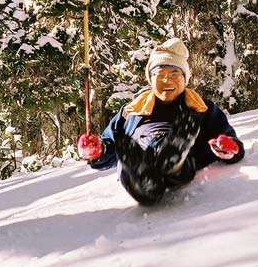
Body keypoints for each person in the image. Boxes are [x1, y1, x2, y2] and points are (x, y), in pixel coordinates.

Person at [84, 38, 245, 205]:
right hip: (138, 155)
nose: (167, 80)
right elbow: (109, 148)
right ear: (150, 79)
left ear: (185, 79)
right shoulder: (131, 110)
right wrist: (96, 152)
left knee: (185, 127)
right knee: (128, 147)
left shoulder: (201, 108)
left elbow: (228, 140)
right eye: (160, 75)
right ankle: (142, 178)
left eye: (174, 74)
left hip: (182, 155)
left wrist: (228, 148)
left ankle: (173, 159)